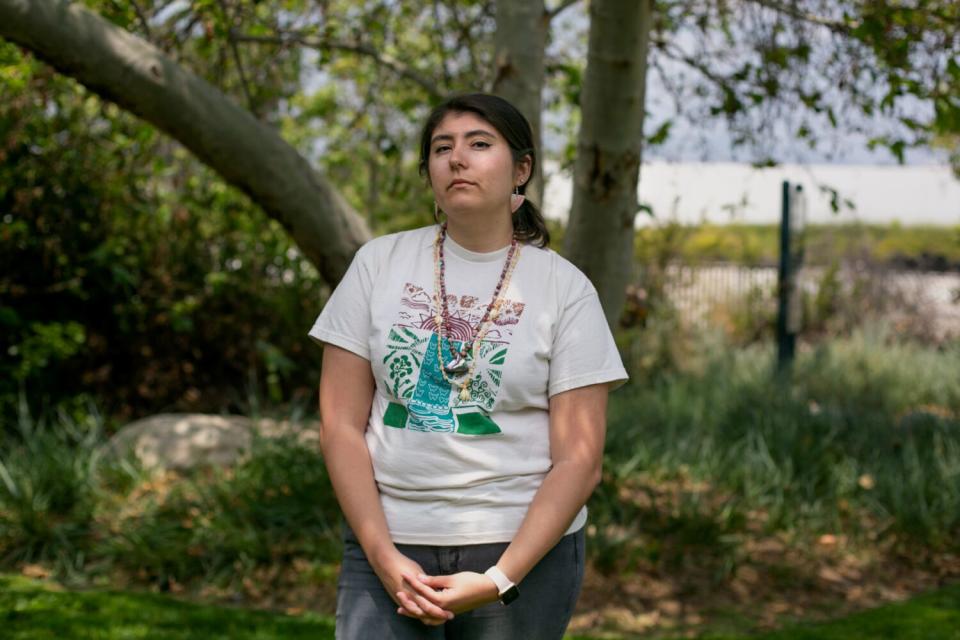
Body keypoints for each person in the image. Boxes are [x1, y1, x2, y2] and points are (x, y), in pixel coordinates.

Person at [309, 93, 627, 640]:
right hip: (388, 541)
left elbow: (579, 459)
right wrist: (382, 555)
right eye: (442, 148)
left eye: (480, 144)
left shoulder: (564, 288)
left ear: (521, 169)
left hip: (521, 550)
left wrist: (501, 578)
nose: (457, 158)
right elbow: (339, 425)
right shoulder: (378, 264)